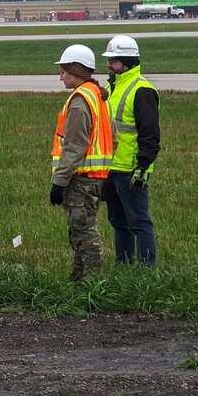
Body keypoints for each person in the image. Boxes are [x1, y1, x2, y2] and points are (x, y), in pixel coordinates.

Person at [50, 44, 114, 281]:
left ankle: (93, 282)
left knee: (85, 233)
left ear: (76, 70)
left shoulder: (79, 101)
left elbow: (74, 146)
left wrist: (59, 182)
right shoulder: (97, 96)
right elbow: (112, 138)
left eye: (64, 71)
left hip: (80, 180)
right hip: (94, 179)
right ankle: (77, 280)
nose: (60, 76)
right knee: (80, 231)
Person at [101, 34, 160, 266]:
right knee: (118, 222)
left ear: (126, 62)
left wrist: (143, 166)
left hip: (130, 170)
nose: (109, 65)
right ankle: (123, 266)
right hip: (110, 168)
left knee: (139, 222)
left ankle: (146, 271)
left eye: (113, 61)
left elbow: (150, 135)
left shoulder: (142, 90)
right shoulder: (110, 87)